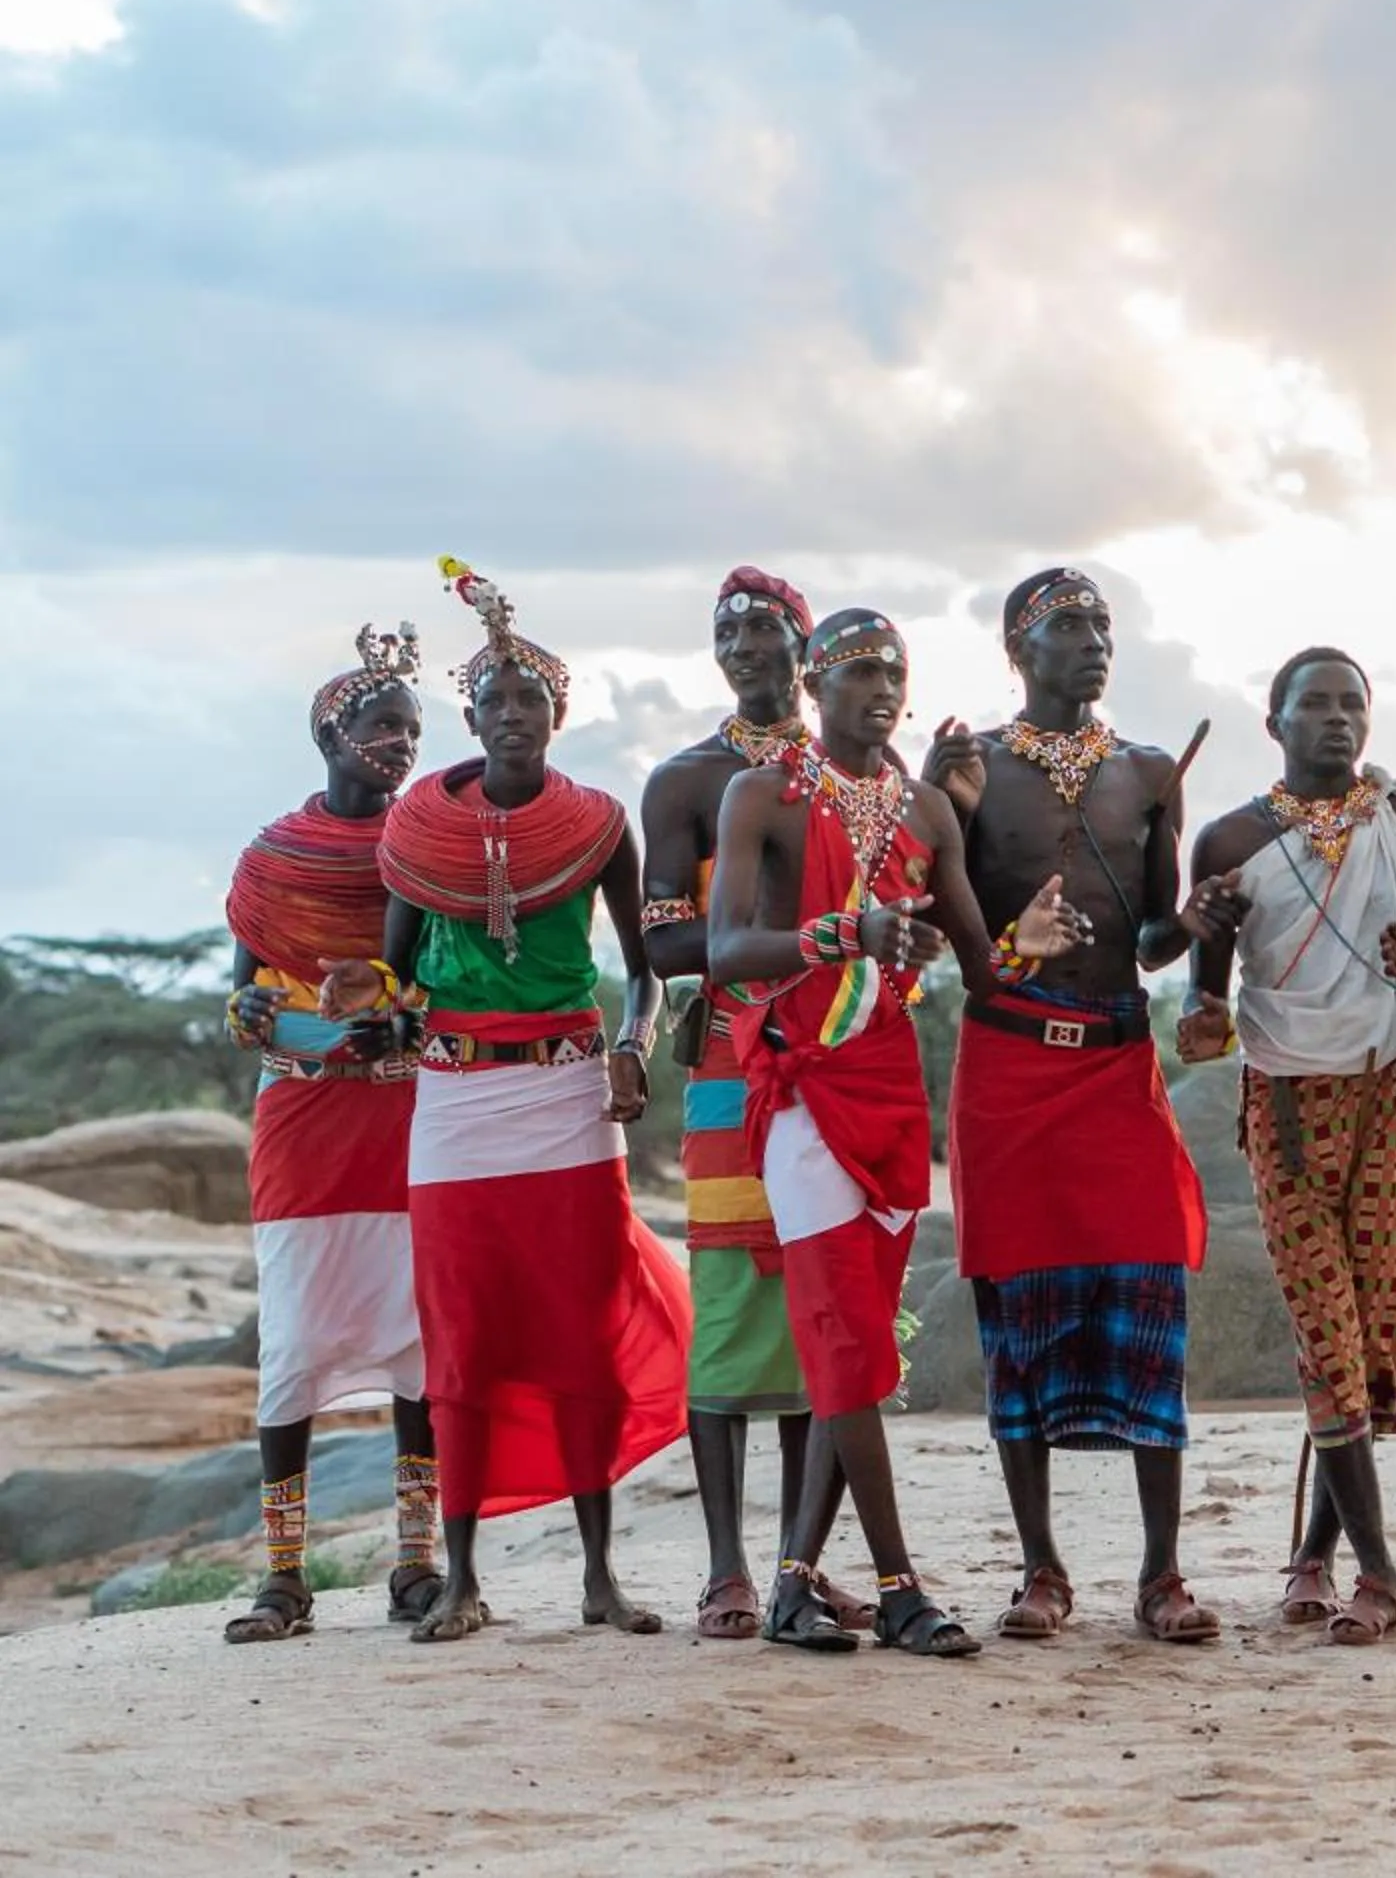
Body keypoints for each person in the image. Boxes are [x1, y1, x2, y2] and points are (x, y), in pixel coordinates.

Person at [333, 557, 691, 1644]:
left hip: (568, 1096)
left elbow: (648, 965)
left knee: (579, 1331)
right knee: (463, 1331)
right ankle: (463, 1579)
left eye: (530, 700)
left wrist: (635, 1046)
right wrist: (372, 1011)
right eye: (494, 701)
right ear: (472, 715)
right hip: (454, 1103)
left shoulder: (596, 824)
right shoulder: (419, 836)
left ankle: (597, 1577)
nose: (512, 717)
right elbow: (395, 982)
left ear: (557, 714)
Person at [710, 607, 1068, 1658]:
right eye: (855, 669)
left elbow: (981, 964)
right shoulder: (763, 796)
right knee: (846, 1337)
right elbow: (728, 947)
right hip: (803, 1087)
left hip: (894, 1092)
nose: (876, 686)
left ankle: (788, 1588)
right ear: (814, 687)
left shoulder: (925, 811)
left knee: (852, 1343)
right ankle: (900, 1585)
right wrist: (841, 933)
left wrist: (1026, 943)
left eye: (891, 671)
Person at [919, 567, 1219, 1646]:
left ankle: (1162, 1573)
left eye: (1102, 625)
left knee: (1152, 1296)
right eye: (1068, 626)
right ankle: (1041, 1568)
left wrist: (1195, 922)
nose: (1094, 642)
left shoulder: (1146, 771)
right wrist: (940, 813)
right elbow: (929, 922)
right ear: (1017, 644)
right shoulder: (974, 769)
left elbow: (1149, 938)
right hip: (1007, 1070)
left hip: (1115, 1064)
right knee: (1021, 1321)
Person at [1177, 647, 1396, 1649]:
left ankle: (1312, 1553)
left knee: (1376, 1332)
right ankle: (1378, 1572)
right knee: (1327, 1331)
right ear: (1275, 723)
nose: (1338, 720)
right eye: (1316, 705)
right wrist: (1201, 1021)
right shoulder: (1231, 839)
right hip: (1288, 1106)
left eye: (1354, 705)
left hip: (1390, 1094)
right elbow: (1202, 992)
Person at [640, 565, 871, 1643]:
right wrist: (780, 935)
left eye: (765, 626)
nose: (744, 644)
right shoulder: (690, 783)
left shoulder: (857, 769)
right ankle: (728, 1566)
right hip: (736, 1058)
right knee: (734, 1298)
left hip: (840, 1052)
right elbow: (663, 942)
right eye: (725, 630)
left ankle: (800, 1560)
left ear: (803, 644)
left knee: (820, 1298)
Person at [218, 624, 442, 1643]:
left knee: (417, 1343)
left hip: (402, 1109)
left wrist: (403, 1014)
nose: (398, 743)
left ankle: (416, 1562)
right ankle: (282, 1579)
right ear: (330, 733)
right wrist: (286, 1021)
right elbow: (242, 1003)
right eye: (380, 724)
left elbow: (447, 981)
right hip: (304, 1116)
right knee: (293, 1345)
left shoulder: (425, 849)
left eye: (412, 728)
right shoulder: (271, 860)